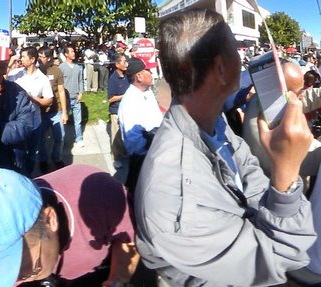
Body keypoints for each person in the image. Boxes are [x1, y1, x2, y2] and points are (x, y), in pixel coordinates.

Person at [134, 9, 316, 286]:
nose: (244, 63)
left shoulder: (212, 120)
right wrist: (286, 173)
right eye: (237, 53)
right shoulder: (177, 198)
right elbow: (280, 258)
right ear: (220, 68)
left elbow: (249, 177)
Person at [0, 165, 139, 287]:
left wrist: (118, 280)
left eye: (30, 270)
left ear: (50, 220)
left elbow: (128, 241)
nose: (18, 282)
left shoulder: (101, 195)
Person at [117, 58, 163, 193]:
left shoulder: (147, 92)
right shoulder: (130, 102)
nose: (152, 73)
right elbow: (134, 142)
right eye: (148, 70)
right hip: (144, 161)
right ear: (139, 76)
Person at [8, 47, 54, 175]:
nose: (20, 59)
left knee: (32, 153)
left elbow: (49, 100)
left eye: (23, 57)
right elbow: (3, 77)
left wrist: (34, 99)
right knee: (18, 153)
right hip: (17, 123)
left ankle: (29, 176)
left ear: (33, 59)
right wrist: (11, 63)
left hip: (34, 123)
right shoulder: (15, 73)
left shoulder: (42, 78)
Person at [37, 47, 68, 172]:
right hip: (40, 112)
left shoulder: (56, 71)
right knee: (41, 139)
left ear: (49, 58)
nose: (39, 59)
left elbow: (61, 91)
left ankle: (57, 158)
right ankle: (43, 160)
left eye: (42, 56)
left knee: (60, 137)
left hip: (56, 111)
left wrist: (64, 112)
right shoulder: (36, 72)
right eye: (38, 56)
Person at [105, 53, 129, 169]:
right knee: (116, 135)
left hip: (126, 110)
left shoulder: (127, 76)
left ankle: (124, 152)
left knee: (125, 133)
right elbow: (110, 98)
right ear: (117, 64)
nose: (126, 64)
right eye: (124, 62)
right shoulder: (113, 79)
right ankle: (115, 158)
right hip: (116, 111)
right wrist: (124, 96)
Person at [60, 46, 86, 148]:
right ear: (66, 54)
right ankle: (63, 140)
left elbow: (80, 81)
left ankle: (79, 138)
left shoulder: (78, 67)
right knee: (64, 120)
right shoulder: (61, 67)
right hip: (65, 99)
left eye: (73, 51)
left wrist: (80, 93)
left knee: (78, 120)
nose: (73, 53)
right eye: (71, 51)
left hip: (76, 98)